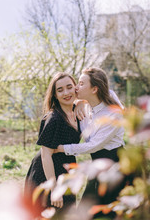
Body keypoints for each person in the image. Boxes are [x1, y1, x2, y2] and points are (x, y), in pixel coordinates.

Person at [56, 67, 125, 218]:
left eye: (80, 84)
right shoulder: (86, 105)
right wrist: (80, 101)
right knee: (89, 209)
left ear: (94, 89)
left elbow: (93, 145)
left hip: (114, 165)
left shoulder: (112, 115)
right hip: (97, 164)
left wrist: (60, 148)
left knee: (108, 211)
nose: (75, 87)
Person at [24, 72, 81, 216]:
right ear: (55, 95)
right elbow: (46, 155)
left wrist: (81, 102)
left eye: (69, 87)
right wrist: (54, 188)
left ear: (76, 88)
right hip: (48, 173)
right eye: (60, 90)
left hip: (66, 169)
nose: (66, 93)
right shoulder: (54, 119)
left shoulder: (78, 112)